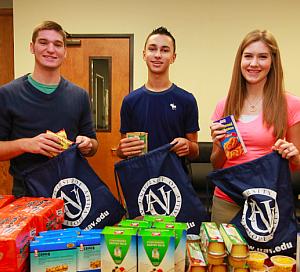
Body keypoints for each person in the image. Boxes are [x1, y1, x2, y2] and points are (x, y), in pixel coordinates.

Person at [210, 29, 300, 224]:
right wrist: (220, 144)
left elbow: (297, 163)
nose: (253, 63)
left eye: (262, 57)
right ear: (240, 61)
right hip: (226, 200)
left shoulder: (291, 104)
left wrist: (293, 154)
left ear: (273, 62)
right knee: (222, 255)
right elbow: (217, 164)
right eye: (248, 56)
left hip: (266, 201)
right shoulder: (224, 105)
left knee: (265, 256)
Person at [0, 21, 98, 197]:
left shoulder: (79, 95)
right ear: (32, 47)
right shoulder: (8, 94)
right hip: (27, 193)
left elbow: (93, 145)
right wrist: (26, 144)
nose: (51, 49)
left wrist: (88, 145)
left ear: (65, 52)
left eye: (58, 44)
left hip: (70, 190)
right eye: (43, 42)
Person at [117, 26, 199, 164]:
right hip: (140, 180)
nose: (158, 55)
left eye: (165, 50)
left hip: (175, 181)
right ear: (144, 54)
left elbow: (195, 152)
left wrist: (188, 146)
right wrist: (121, 150)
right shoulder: (130, 101)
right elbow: (124, 150)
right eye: (152, 49)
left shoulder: (187, 100)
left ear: (173, 57)